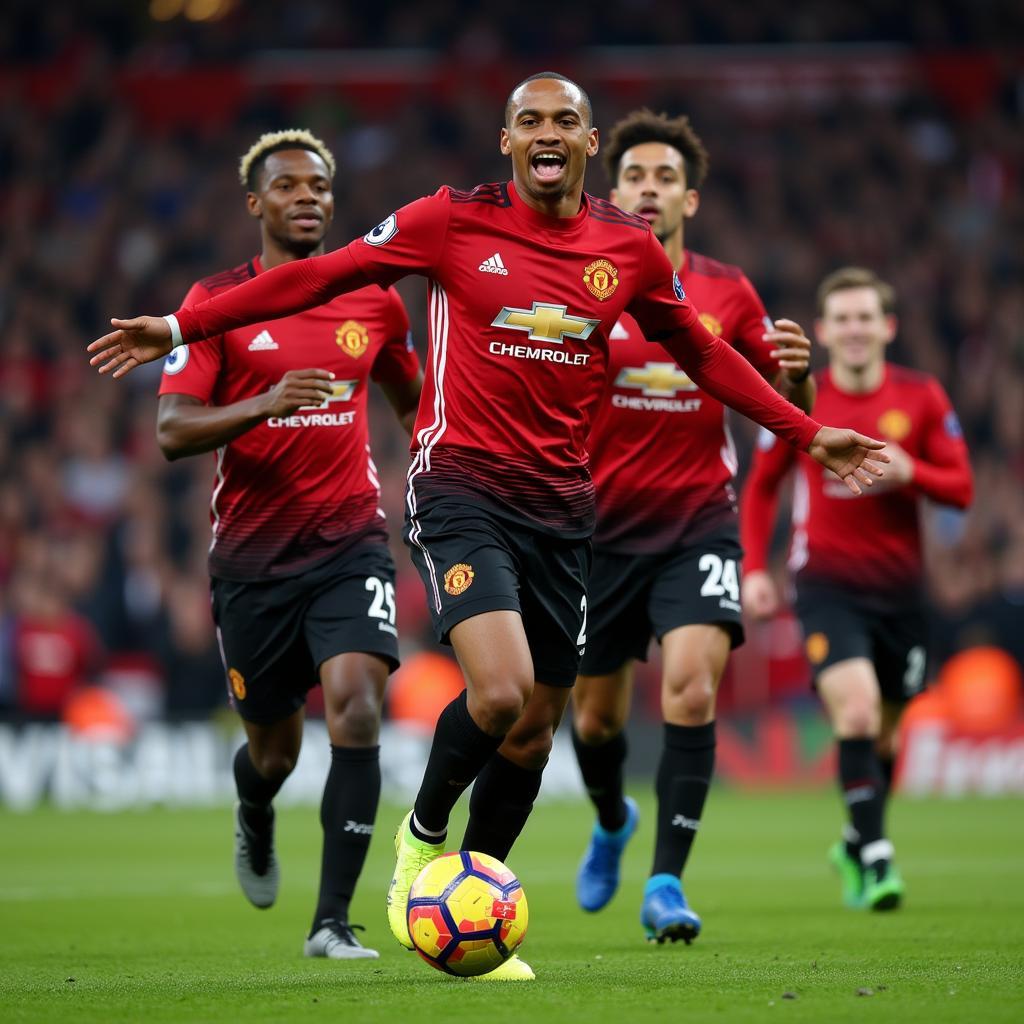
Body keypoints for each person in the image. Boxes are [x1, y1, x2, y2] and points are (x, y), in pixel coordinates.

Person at [89, 75, 889, 980]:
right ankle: (420, 847)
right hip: (460, 487)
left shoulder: (624, 248)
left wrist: (810, 432)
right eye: (529, 122)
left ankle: (482, 897)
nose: (547, 133)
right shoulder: (448, 221)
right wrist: (180, 323)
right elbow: (324, 273)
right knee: (501, 692)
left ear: (588, 142)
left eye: (564, 122)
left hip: (564, 507)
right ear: (506, 141)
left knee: (535, 729)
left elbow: (701, 352)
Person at [155, 130, 422, 959]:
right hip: (253, 565)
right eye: (288, 186)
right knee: (272, 753)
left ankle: (332, 922)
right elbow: (172, 430)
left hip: (349, 543)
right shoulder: (217, 303)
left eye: (319, 185)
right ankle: (255, 809)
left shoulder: (375, 299)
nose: (307, 196)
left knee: (358, 705)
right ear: (256, 203)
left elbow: (417, 409)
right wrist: (264, 403)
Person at [570, 109, 814, 944]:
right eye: (634, 174)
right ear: (614, 189)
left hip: (695, 524)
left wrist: (801, 382)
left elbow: (777, 405)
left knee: (690, 689)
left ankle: (667, 883)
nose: (648, 188)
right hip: (596, 533)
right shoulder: (584, 280)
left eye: (664, 177)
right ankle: (611, 823)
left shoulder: (727, 291)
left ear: (690, 198)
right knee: (596, 720)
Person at [740, 266, 973, 911]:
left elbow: (961, 487)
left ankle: (854, 837)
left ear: (887, 326)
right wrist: (756, 568)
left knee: (888, 735)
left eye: (865, 316)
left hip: (900, 592)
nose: (854, 329)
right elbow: (761, 485)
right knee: (859, 712)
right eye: (841, 318)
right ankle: (877, 856)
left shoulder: (922, 397)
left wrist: (913, 471)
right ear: (822, 330)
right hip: (826, 585)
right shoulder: (798, 394)